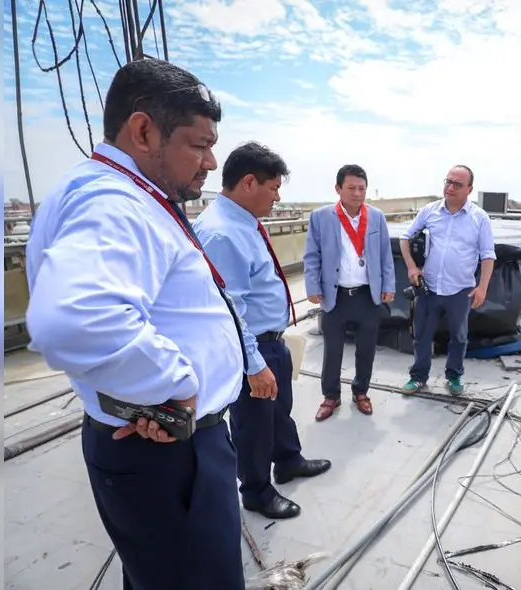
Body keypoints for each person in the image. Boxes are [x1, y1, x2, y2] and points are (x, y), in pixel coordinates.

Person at [24, 59, 247, 589]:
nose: (212, 161)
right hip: (172, 455)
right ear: (144, 130)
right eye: (199, 144)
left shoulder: (114, 191)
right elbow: (76, 318)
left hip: (159, 443)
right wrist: (174, 385)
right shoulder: (114, 201)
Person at [193, 142, 331, 520]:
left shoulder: (243, 222)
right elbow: (230, 307)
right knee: (254, 423)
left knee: (278, 411)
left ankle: (288, 460)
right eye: (273, 187)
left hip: (271, 340)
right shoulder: (221, 233)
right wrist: (253, 365)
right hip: (251, 346)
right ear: (249, 182)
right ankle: (256, 490)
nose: (277, 196)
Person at [303, 164, 396, 421]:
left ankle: (361, 392)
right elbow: (312, 256)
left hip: (367, 295)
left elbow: (385, 255)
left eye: (362, 188)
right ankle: (331, 396)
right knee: (332, 350)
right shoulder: (321, 217)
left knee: (366, 349)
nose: (357, 193)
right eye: (351, 188)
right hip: (336, 296)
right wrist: (312, 287)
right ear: (338, 189)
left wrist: (388, 285)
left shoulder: (376, 217)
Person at [399, 165, 496, 395]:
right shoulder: (429, 211)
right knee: (421, 335)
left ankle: (453, 377)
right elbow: (404, 238)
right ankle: (418, 377)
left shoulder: (479, 219)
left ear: (469, 189)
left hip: (460, 291)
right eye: (448, 181)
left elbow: (488, 255)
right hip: (429, 289)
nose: (450, 188)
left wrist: (482, 287)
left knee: (459, 337)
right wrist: (412, 267)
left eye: (457, 184)